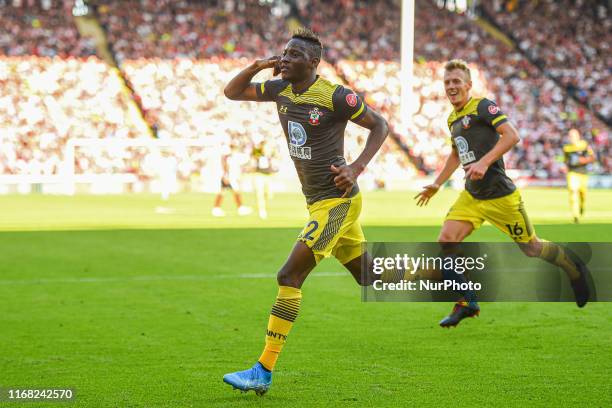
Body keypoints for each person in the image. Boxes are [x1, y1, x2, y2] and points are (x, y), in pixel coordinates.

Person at [222, 27, 388, 394]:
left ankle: (262, 370)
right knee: (370, 278)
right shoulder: (280, 89)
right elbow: (232, 93)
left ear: (313, 63)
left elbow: (380, 124)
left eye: (294, 55)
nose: (285, 58)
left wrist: (356, 167)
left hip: (337, 201)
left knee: (288, 276)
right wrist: (257, 65)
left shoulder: (335, 96)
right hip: (318, 201)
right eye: (283, 52)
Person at [414, 59, 590, 328]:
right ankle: (467, 302)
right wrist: (437, 183)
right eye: (447, 82)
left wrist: (484, 162)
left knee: (532, 248)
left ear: (468, 85)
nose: (451, 86)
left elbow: (511, 135)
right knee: (447, 240)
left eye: (456, 81)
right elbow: (455, 152)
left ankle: (572, 266)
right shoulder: (452, 119)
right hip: (472, 196)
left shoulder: (483, 106)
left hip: (501, 197)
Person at [563, 128, 595, 224]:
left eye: (573, 135)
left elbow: (592, 157)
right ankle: (575, 215)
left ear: (578, 136)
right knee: (572, 191)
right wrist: (565, 168)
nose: (571, 138)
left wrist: (583, 160)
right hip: (572, 173)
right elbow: (566, 161)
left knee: (582, 193)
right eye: (570, 136)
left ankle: (581, 206)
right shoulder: (566, 148)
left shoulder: (584, 145)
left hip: (583, 173)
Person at [211, 143, 252, 217]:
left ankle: (216, 209)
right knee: (235, 192)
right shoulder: (227, 157)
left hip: (230, 177)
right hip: (229, 177)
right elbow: (226, 167)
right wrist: (226, 176)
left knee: (224, 192)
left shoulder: (231, 157)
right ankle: (240, 208)